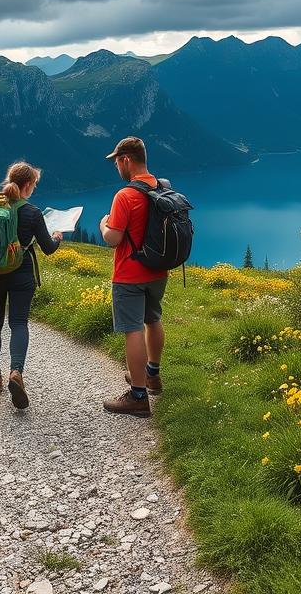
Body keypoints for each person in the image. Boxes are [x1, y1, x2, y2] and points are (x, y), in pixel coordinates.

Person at [0, 161, 62, 409]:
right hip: (21, 274)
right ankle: (16, 372)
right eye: (34, 184)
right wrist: (57, 238)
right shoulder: (33, 212)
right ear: (27, 185)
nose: (34, 188)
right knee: (18, 323)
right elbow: (47, 248)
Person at [99, 137, 167, 418]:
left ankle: (138, 395)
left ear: (126, 160)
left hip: (130, 273)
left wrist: (103, 223)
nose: (116, 166)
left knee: (132, 329)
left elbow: (113, 239)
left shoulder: (125, 196)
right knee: (153, 320)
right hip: (158, 271)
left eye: (117, 161)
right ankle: (152, 375)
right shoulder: (162, 186)